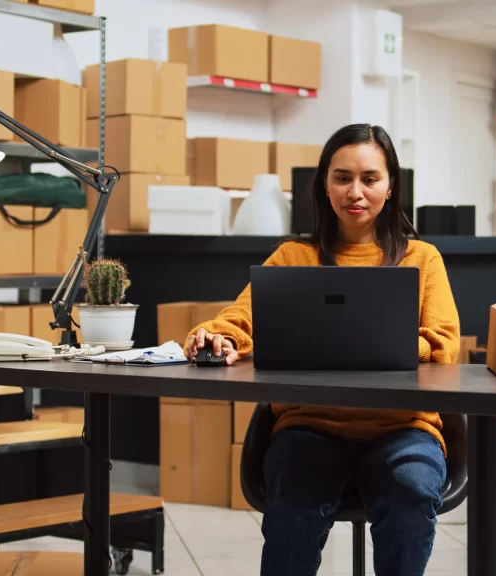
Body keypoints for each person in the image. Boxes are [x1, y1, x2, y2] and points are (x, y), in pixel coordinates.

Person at [182, 124, 461, 576]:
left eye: (370, 178)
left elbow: (443, 341)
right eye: (342, 177)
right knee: (294, 493)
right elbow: (240, 318)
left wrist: (364, 343)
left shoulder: (421, 258)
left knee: (410, 491)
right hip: (308, 425)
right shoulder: (293, 257)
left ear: (391, 187)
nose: (356, 191)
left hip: (403, 427)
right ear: (323, 185)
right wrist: (218, 336)